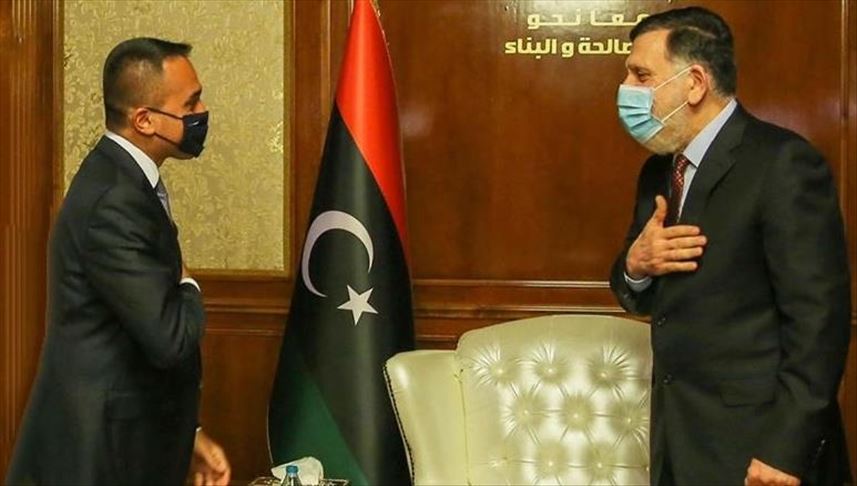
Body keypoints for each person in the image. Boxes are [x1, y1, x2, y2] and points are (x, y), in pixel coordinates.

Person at [609, 7, 852, 486]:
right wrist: (636, 266)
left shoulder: (782, 163)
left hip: (760, 451)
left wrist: (785, 451)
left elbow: (819, 322)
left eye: (641, 75)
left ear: (695, 83)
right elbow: (643, 296)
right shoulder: (658, 171)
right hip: (679, 440)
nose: (626, 88)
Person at [6, 38, 231, 485]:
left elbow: (134, 338)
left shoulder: (123, 181)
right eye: (190, 104)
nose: (202, 112)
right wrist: (188, 285)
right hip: (98, 457)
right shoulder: (115, 200)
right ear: (144, 120)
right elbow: (170, 338)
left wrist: (189, 434)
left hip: (125, 443)